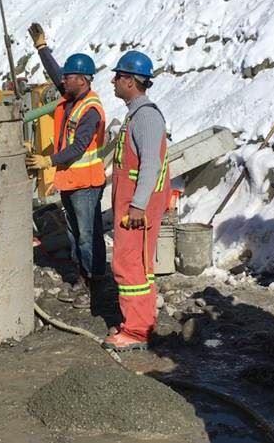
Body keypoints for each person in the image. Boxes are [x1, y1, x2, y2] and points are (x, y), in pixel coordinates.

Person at [26, 22, 107, 310]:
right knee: (78, 235)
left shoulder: (90, 110)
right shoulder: (72, 96)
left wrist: (47, 161)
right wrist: (41, 47)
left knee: (87, 238)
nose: (63, 81)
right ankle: (87, 279)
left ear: (83, 80)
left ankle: (92, 286)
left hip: (86, 185)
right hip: (71, 182)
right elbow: (55, 72)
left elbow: (78, 147)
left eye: (69, 77)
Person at [103, 50, 170, 352]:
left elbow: (150, 166)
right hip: (131, 205)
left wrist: (138, 206)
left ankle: (137, 331)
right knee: (132, 264)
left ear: (130, 81)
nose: (114, 81)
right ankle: (138, 323)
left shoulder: (146, 117)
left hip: (136, 209)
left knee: (132, 266)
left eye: (118, 76)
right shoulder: (137, 115)